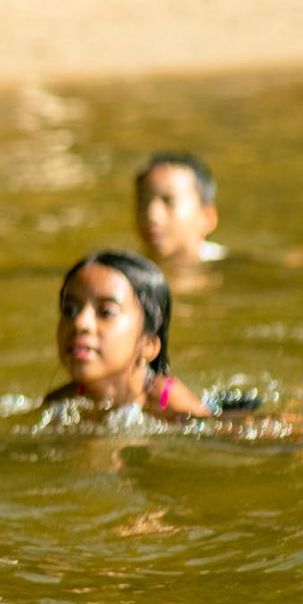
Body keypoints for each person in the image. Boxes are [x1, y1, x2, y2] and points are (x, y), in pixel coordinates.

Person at [48, 250, 211, 420]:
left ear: (148, 345)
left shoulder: (172, 406)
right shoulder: (61, 403)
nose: (80, 323)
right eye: (69, 310)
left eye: (106, 312)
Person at [134, 152, 224, 278]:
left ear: (207, 218)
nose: (151, 215)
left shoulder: (233, 272)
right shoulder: (121, 277)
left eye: (169, 201)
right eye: (143, 203)